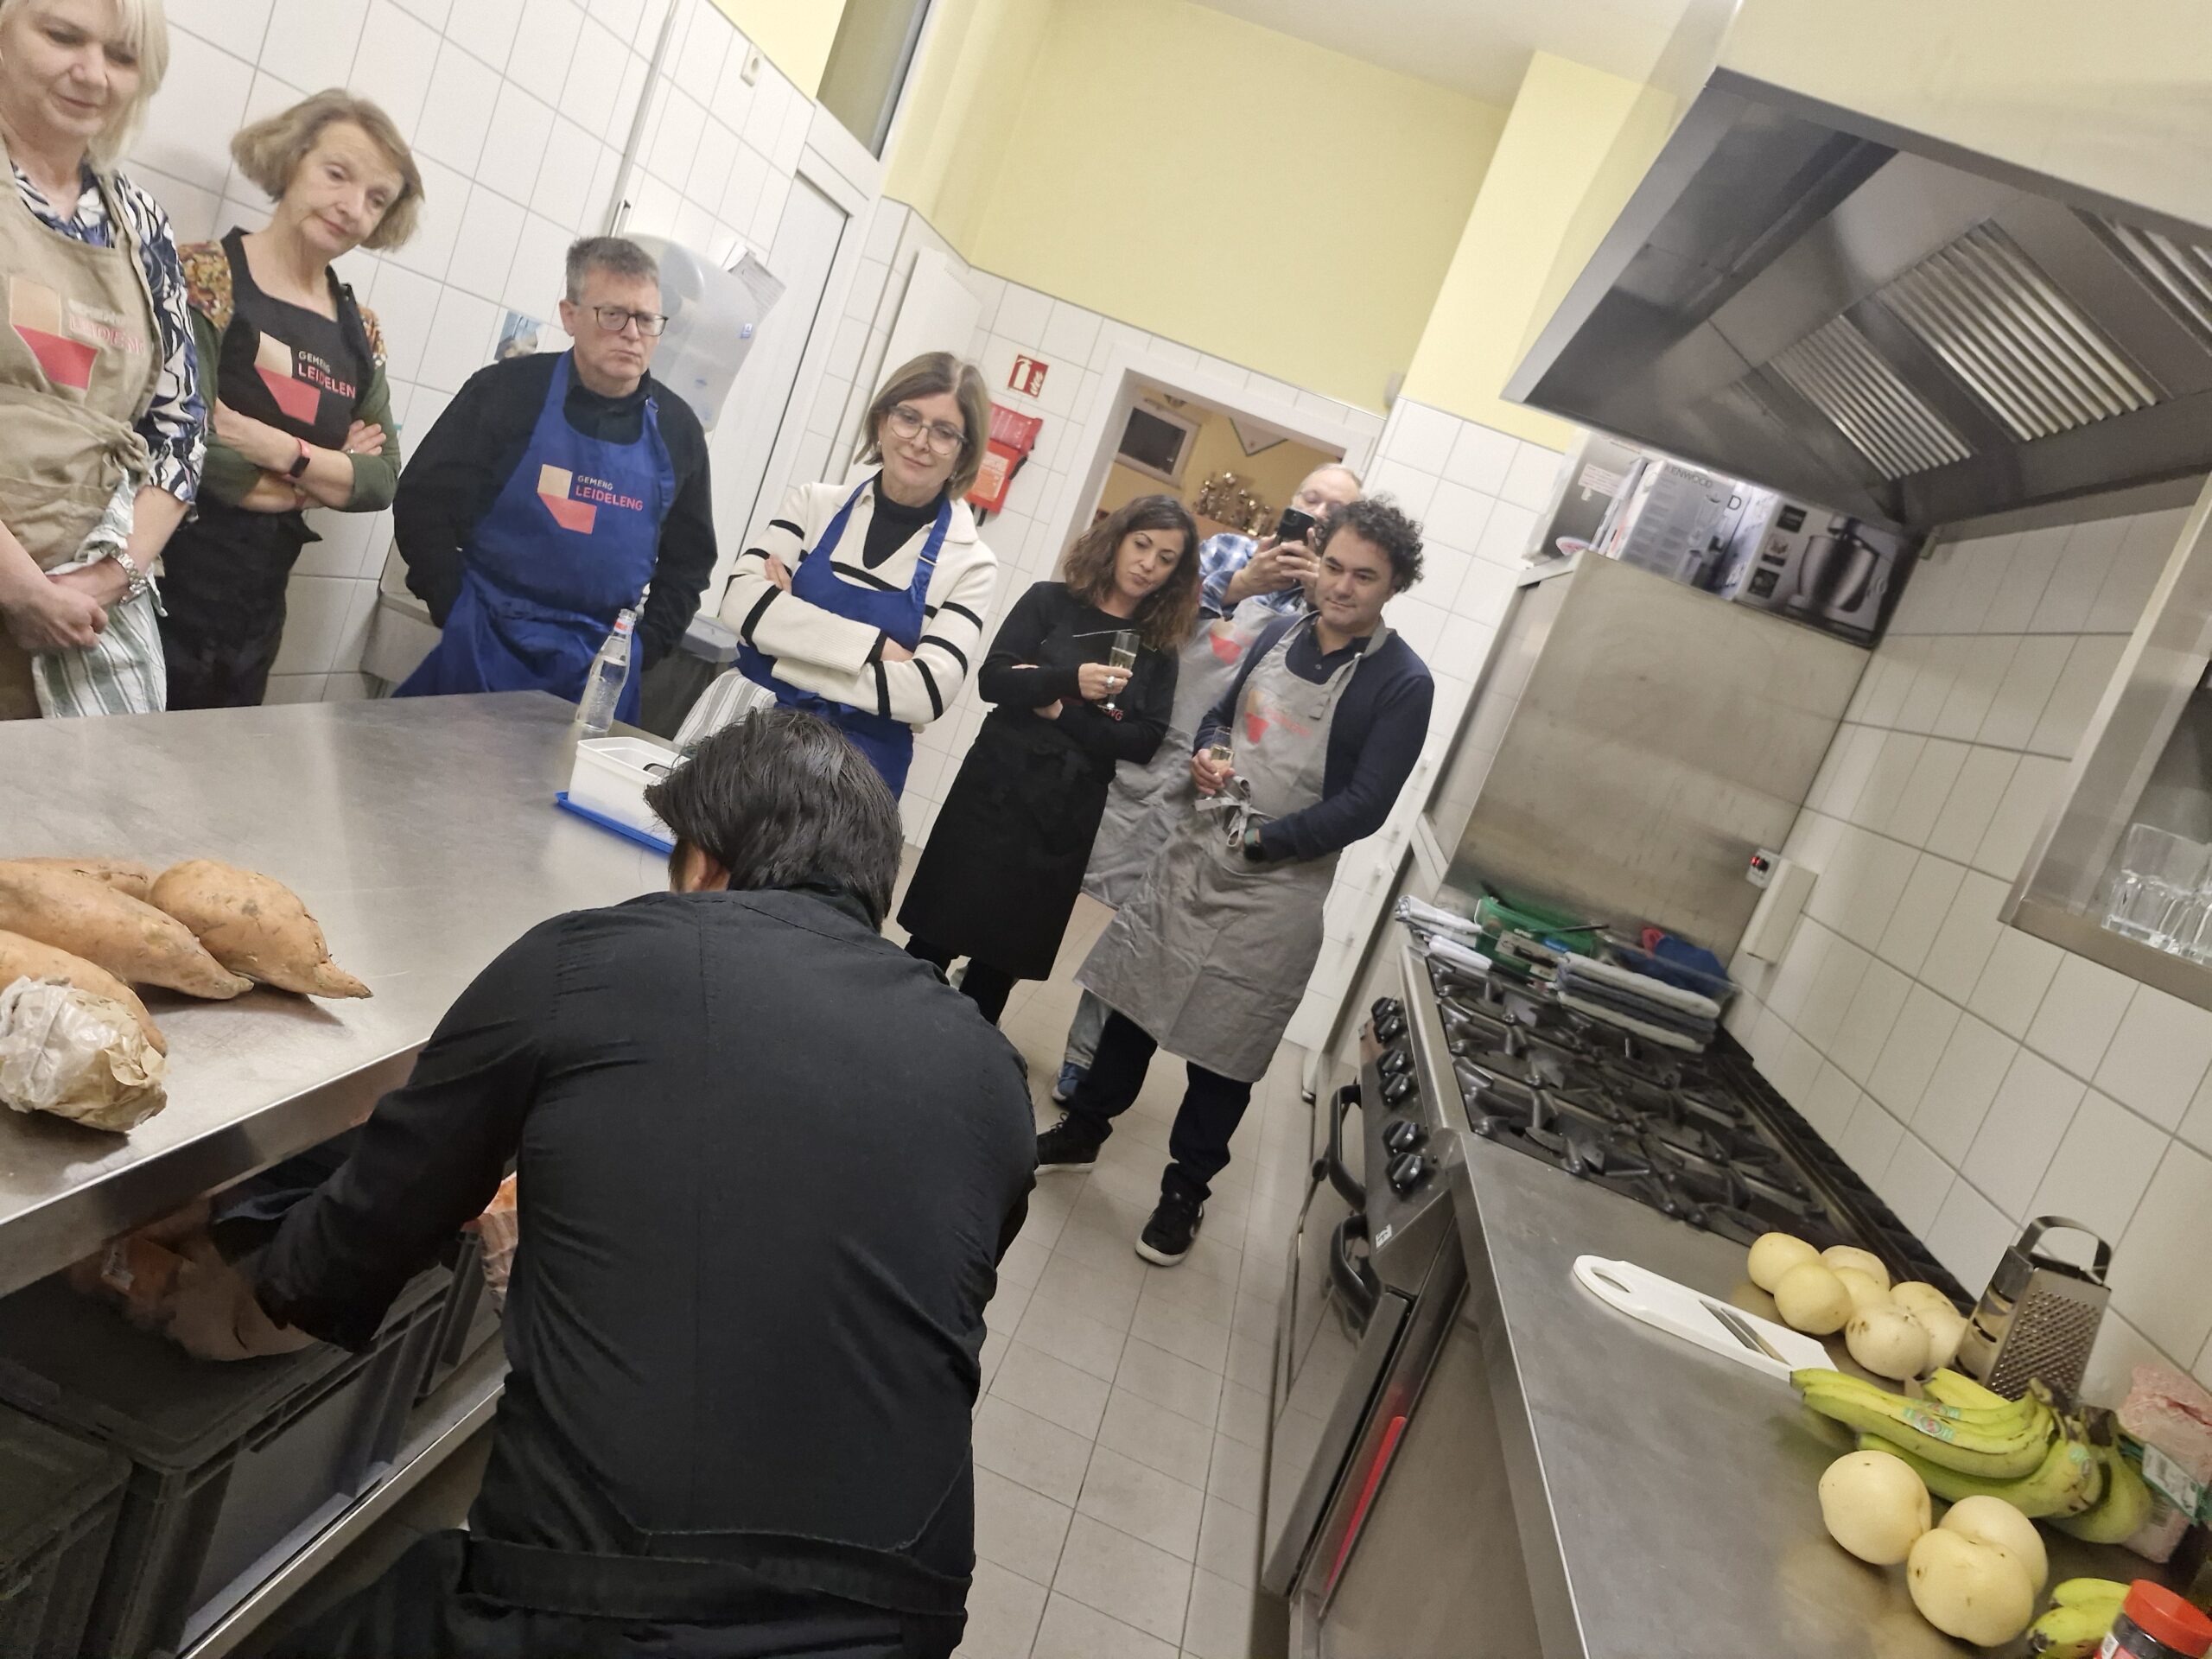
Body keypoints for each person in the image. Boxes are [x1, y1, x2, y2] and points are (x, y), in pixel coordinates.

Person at [246, 710, 1036, 1659]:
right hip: (900, 1622)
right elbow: (884, 1285)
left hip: (607, 1609)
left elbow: (354, 1242)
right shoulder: (992, 1075)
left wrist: (241, 1258)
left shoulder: (585, 962)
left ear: (703, 862)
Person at [1037, 497, 1435, 1267]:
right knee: (1135, 1002)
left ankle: (1184, 1192)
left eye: (1364, 577)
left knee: (1227, 1047)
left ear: (1394, 585)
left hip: (1278, 888)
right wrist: (1210, 755)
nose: (1341, 586)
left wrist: (1265, 841)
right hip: (1196, 853)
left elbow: (1365, 805)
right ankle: (1084, 1130)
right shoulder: (1281, 633)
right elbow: (1220, 715)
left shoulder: (1400, 682)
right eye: (1333, 567)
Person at [1051, 461, 1361, 1100]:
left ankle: (1084, 1063)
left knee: (1143, 931)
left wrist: (1311, 598)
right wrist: (1242, 585)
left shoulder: (1327, 607)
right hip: (1141, 750)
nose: (1318, 514)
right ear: (1293, 499)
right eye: (1312, 497)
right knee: (1054, 875)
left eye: (1335, 510)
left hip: (1212, 786)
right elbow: (1153, 620)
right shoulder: (1223, 553)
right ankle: (984, 981)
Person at [158, 91, 420, 708]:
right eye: (337, 174)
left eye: (376, 198)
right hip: (163, 588)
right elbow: (186, 440)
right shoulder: (203, 276)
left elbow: (382, 479)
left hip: (260, 615)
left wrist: (281, 451)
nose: (352, 207)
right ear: (292, 160)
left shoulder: (362, 330)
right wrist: (325, 473)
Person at [897, 495, 1200, 1025]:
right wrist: (1068, 679)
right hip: (994, 791)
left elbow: (1144, 741)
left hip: (1066, 813)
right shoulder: (1049, 601)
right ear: (1117, 540)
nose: (1148, 564)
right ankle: (884, 1030)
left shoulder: (1157, 650)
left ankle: (963, 1061)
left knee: (1000, 963)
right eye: (1142, 545)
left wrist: (1057, 708)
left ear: (1176, 575)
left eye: (1166, 558)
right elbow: (994, 680)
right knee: (934, 936)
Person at [392, 236, 714, 722]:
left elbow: (688, 565)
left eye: (647, 319)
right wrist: (454, 605)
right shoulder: (505, 393)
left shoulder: (678, 430)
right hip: (481, 650)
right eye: (613, 315)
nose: (632, 334)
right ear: (570, 315)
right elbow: (423, 504)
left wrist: (644, 647)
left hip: (599, 675)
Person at [0, 0, 202, 719]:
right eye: (62, 37)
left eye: (120, 56)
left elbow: (181, 424)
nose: (93, 73)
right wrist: (20, 588)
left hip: (83, 613)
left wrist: (112, 574)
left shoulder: (140, 222)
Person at [721, 352, 998, 792]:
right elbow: (738, 603)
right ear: (882, 420)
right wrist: (875, 647)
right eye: (909, 417)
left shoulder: (970, 563)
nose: (921, 441)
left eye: (944, 432)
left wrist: (783, 645)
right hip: (749, 733)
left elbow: (927, 692)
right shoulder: (813, 504)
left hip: (856, 777)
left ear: (964, 452)